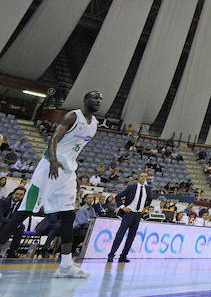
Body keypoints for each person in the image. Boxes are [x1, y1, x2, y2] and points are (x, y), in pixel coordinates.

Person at [0, 91, 101, 278]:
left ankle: (66, 264)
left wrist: (75, 174)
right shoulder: (73, 116)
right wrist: (54, 161)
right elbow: (53, 139)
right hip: (49, 166)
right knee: (25, 210)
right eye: (95, 97)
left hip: (67, 171)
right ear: (85, 100)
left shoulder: (94, 125)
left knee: (68, 215)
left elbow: (74, 151)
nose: (98, 101)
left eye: (100, 99)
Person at [107, 171, 152, 263]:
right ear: (138, 178)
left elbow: (150, 199)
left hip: (138, 215)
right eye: (142, 176)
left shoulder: (147, 189)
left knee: (131, 237)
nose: (144, 178)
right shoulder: (131, 187)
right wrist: (123, 207)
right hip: (129, 214)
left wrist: (145, 207)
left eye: (145, 176)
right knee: (120, 235)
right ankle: (111, 254)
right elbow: (118, 196)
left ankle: (123, 256)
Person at [0, 186, 26, 258]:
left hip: (12, 224)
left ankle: (12, 251)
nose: (18, 196)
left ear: (24, 196)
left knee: (21, 227)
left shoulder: (22, 205)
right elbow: (1, 217)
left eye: (21, 195)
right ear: (13, 194)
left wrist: (15, 223)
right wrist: (12, 223)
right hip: (2, 221)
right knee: (2, 224)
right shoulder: (3, 201)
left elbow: (20, 219)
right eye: (16, 194)